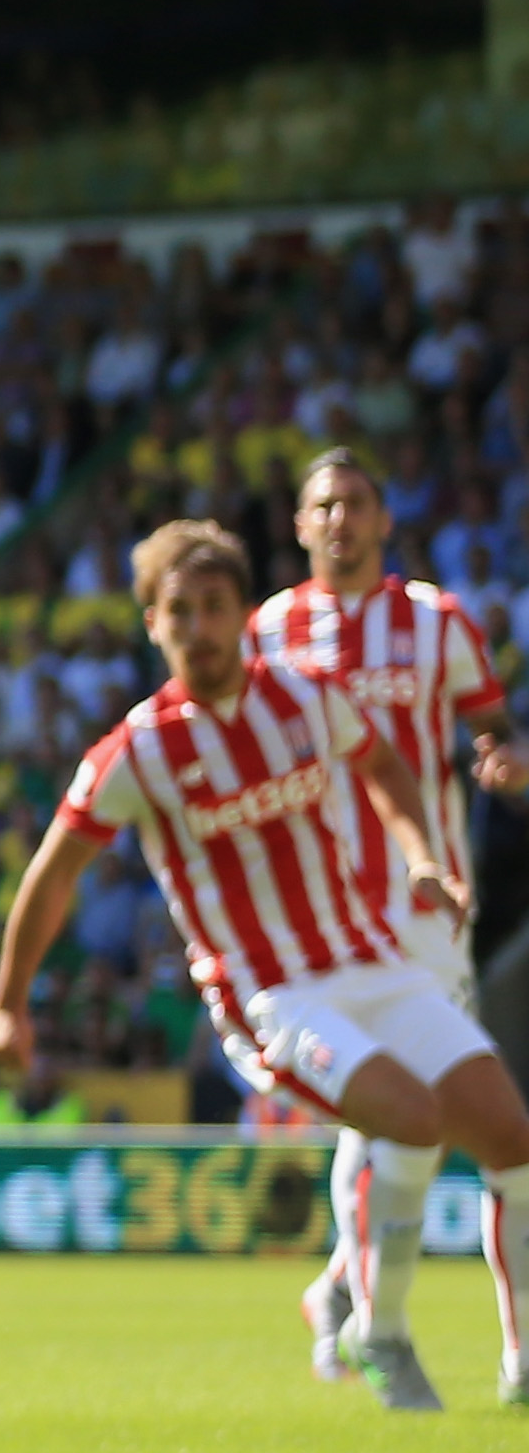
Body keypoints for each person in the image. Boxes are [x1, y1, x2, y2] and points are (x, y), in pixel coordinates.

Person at [0, 519, 529, 1410]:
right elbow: (51, 877)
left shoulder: (308, 696)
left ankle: (513, 1362)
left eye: (213, 606)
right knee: (413, 1118)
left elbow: (384, 764)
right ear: (151, 624)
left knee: (511, 1136)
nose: (197, 626)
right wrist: (8, 1003)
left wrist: (420, 853)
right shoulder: (137, 750)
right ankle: (379, 1334)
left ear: (244, 614)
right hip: (272, 995)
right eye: (176, 611)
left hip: (374, 962)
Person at [250, 449, 527, 1389]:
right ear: (299, 525)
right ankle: (366, 1309)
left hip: (426, 898)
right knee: (383, 1113)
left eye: (356, 503)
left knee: (430, 1108)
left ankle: (342, 1289)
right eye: (323, 505)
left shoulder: (436, 621)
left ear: (382, 520)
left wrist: (506, 760)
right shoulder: (271, 629)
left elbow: (493, 727)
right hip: (318, 911)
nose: (340, 519)